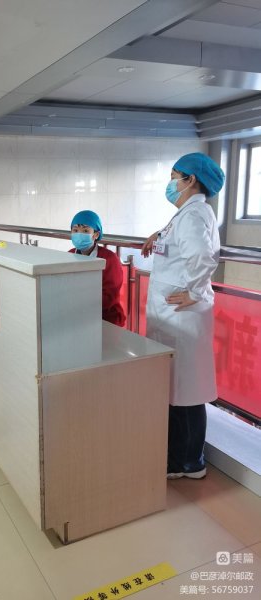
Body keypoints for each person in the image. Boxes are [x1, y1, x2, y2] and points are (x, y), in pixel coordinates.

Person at [141, 152, 224, 480]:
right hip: (175, 317)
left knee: (187, 391)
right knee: (178, 389)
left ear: (190, 180)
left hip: (183, 316)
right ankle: (180, 457)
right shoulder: (188, 213)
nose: (171, 182)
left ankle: (189, 462)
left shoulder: (193, 215)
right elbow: (182, 247)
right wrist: (158, 236)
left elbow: (202, 256)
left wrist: (193, 291)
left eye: (175, 176)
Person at [69, 210, 125, 327]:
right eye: (75, 230)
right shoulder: (69, 255)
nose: (79, 234)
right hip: (78, 316)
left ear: (96, 235)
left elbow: (109, 296)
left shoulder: (109, 259)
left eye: (85, 231)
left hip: (107, 319)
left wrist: (78, 303)